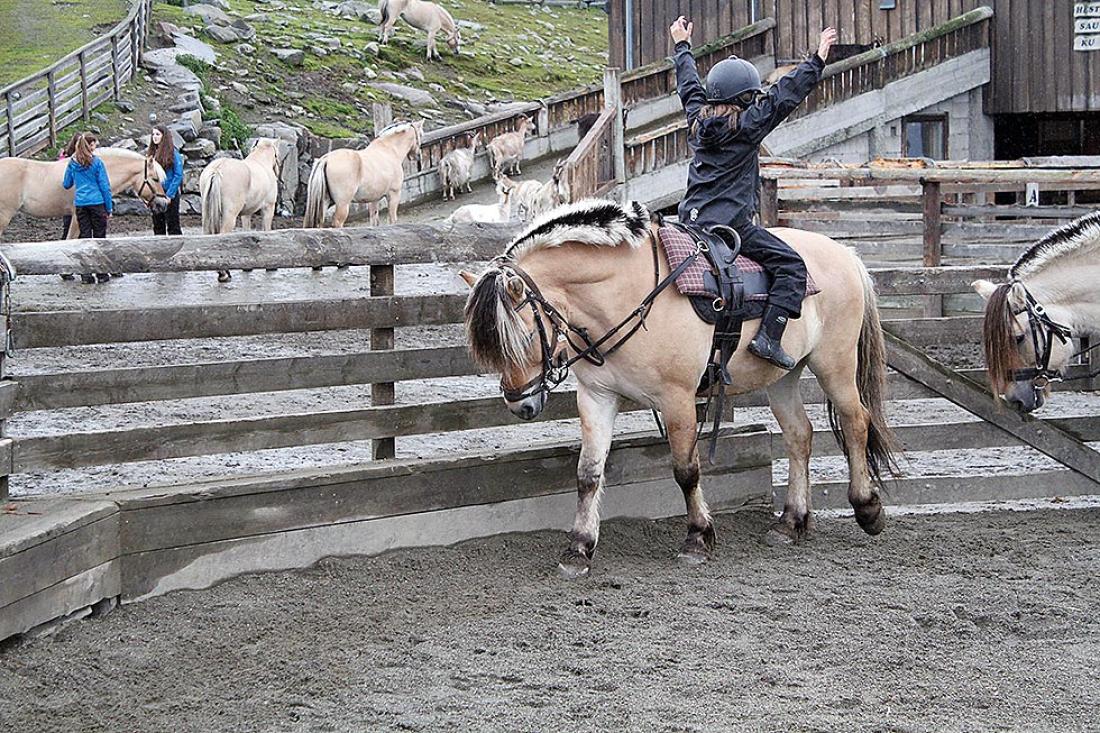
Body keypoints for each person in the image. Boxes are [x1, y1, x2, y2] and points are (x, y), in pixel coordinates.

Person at [670, 17, 836, 370]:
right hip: (731, 227)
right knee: (792, 266)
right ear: (746, 98)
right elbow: (784, 96)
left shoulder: (697, 121)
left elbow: (688, 86)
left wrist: (682, 46)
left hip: (690, 224)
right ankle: (768, 338)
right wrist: (817, 61)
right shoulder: (747, 126)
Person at [62, 132, 113, 283]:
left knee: (84, 237)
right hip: (97, 203)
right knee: (100, 238)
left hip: (81, 204)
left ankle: (86, 274)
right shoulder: (97, 163)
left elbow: (66, 184)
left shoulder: (72, 163)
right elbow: (105, 186)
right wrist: (109, 208)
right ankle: (101, 274)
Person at [148, 124, 184, 235]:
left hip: (169, 194)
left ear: (164, 136)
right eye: (153, 134)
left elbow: (178, 175)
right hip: (156, 195)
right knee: (158, 225)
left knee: (173, 225)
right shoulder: (151, 154)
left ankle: (176, 245)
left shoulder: (173, 153)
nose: (154, 137)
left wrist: (169, 195)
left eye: (157, 134)